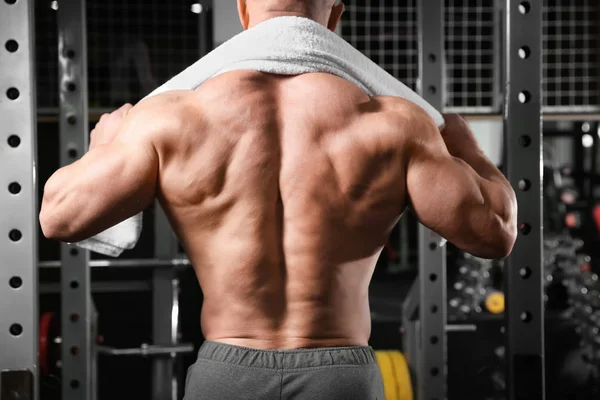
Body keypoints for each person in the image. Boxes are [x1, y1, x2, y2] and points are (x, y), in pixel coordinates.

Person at [40, 0, 517, 398]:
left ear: (244, 13)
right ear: (334, 18)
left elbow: (59, 217)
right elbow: (494, 232)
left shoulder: (171, 117)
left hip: (225, 375)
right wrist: (466, 146)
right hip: (341, 377)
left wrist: (105, 144)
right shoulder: (395, 123)